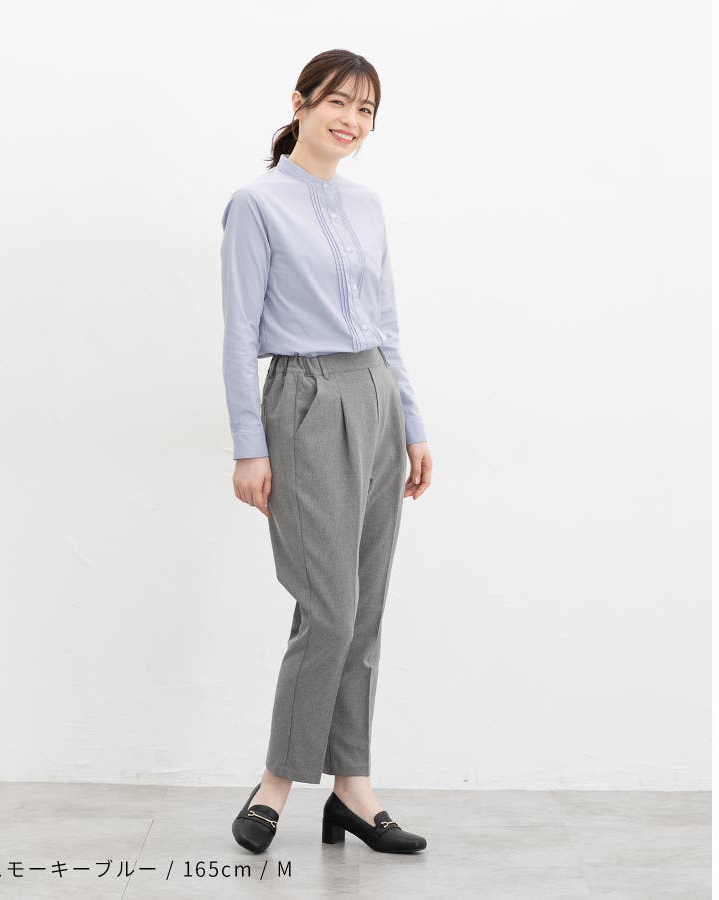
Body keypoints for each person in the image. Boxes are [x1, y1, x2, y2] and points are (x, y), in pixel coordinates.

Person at [221, 50, 433, 855]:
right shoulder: (256, 204)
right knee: (329, 608)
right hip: (304, 398)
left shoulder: (368, 206)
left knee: (364, 607)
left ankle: (353, 788)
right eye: (339, 102)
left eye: (366, 110)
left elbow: (387, 327)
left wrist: (412, 423)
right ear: (301, 103)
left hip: (375, 393)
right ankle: (275, 783)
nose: (351, 120)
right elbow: (240, 333)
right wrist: (249, 445)